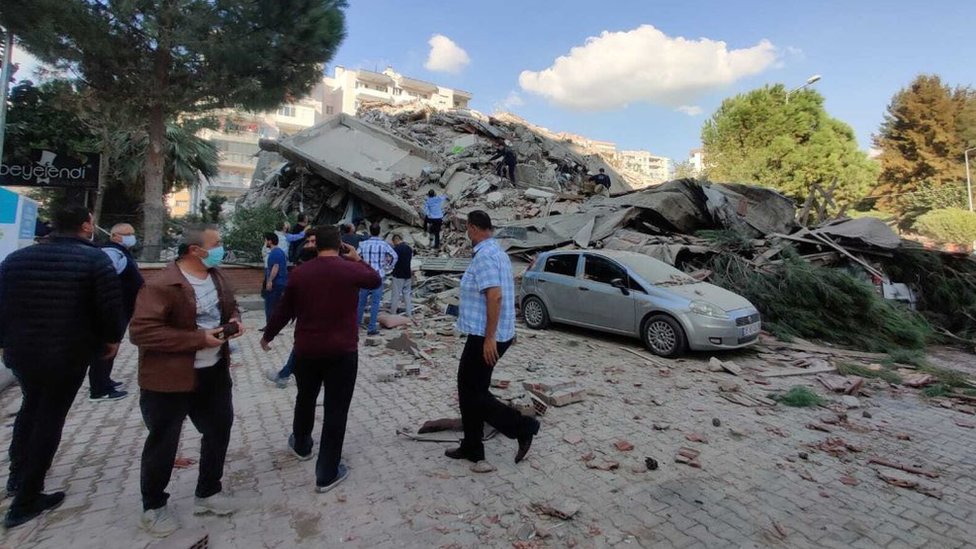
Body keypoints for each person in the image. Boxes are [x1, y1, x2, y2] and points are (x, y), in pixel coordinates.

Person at [0, 205, 124, 529]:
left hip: (23, 353)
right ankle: (27, 498)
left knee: (31, 406)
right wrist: (111, 341)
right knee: (50, 417)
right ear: (86, 225)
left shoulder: (16, 260)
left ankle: (16, 474)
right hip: (67, 355)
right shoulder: (96, 260)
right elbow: (110, 309)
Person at [129, 224, 245, 538]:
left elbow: (230, 304)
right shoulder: (163, 285)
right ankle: (153, 506)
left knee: (219, 430)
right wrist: (197, 339)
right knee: (164, 441)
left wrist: (234, 320)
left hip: (214, 373)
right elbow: (141, 332)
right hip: (169, 379)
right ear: (195, 250)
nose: (222, 247)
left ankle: (208, 492)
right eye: (217, 243)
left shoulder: (217, 276)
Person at [260, 226, 381, 493]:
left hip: (307, 350)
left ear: (314, 246)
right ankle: (326, 473)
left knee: (305, 397)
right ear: (340, 244)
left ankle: (302, 444)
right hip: (343, 352)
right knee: (336, 410)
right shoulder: (351, 269)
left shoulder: (301, 273)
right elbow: (375, 280)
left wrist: (268, 335)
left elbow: (284, 309)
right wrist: (357, 258)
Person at [445, 210, 540, 465]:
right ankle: (473, 446)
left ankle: (523, 427)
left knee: (472, 392)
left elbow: (494, 296)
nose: (467, 234)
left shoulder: (486, 255)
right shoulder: (497, 252)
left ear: (474, 228)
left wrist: (489, 338)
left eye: (468, 229)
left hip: (485, 335)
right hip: (492, 333)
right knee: (472, 390)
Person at [88, 222, 145, 402]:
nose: (131, 237)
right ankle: (99, 389)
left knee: (112, 345)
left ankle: (105, 380)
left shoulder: (120, 252)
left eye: (132, 233)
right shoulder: (112, 253)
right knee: (106, 346)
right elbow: (106, 279)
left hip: (121, 307)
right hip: (115, 307)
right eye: (127, 234)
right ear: (115, 236)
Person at [266, 231, 319, 388]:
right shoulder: (306, 264)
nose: (309, 245)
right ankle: (286, 375)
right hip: (311, 318)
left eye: (313, 241)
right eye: (308, 241)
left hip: (319, 320)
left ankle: (284, 375)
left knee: (302, 348)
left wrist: (268, 335)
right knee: (304, 348)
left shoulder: (330, 266)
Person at [356, 224, 398, 336]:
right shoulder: (384, 245)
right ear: (379, 232)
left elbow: (356, 256)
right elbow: (394, 256)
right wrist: (388, 267)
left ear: (370, 231)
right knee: (375, 303)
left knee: (361, 302)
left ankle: (356, 327)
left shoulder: (363, 244)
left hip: (365, 275)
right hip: (378, 275)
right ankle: (371, 328)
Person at [262, 232, 289, 326]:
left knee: (270, 305)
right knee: (274, 305)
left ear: (270, 241)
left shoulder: (276, 252)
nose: (265, 243)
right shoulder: (279, 252)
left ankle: (270, 325)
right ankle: (271, 325)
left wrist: (270, 281)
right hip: (279, 282)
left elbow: (275, 267)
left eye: (265, 240)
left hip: (276, 283)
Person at [389, 234, 414, 317]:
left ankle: (393, 313)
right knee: (407, 295)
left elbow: (392, 261)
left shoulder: (396, 249)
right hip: (408, 274)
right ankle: (409, 313)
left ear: (395, 240)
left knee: (395, 295)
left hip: (398, 275)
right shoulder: (409, 248)